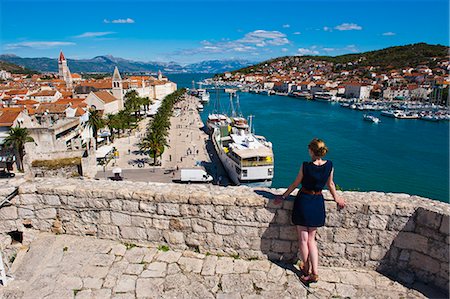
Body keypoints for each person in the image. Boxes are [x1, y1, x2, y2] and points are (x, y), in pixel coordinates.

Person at [274, 138, 345, 284]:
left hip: (303, 201)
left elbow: (295, 183)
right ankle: (315, 273)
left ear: (311, 151)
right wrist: (337, 198)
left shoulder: (306, 166)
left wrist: (283, 196)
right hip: (317, 202)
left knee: (303, 239)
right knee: (312, 240)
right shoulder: (330, 165)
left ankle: (306, 269)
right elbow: (330, 184)